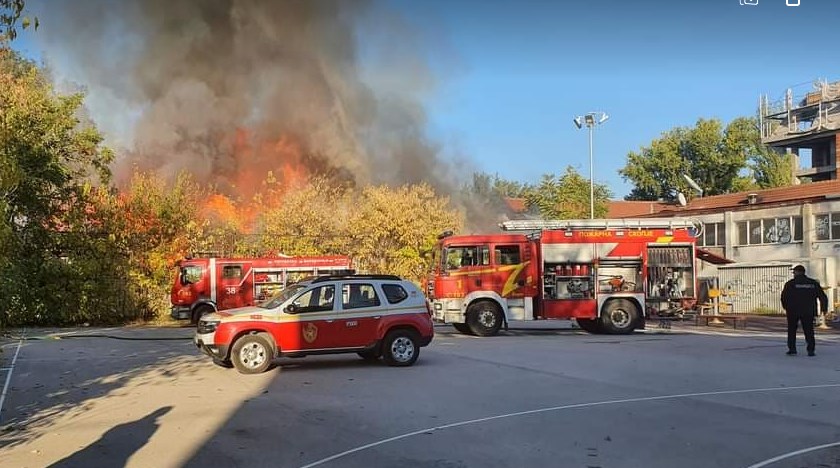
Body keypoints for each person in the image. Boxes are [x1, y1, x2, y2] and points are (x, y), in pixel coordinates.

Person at [780, 264, 828, 356]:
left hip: (793, 311)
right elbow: (823, 297)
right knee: (809, 330)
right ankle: (811, 350)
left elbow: (784, 297)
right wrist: (823, 309)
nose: (793, 273)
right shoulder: (813, 283)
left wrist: (786, 307)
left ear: (798, 272)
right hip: (809, 311)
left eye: (794, 271)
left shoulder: (791, 284)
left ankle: (792, 349)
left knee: (792, 330)